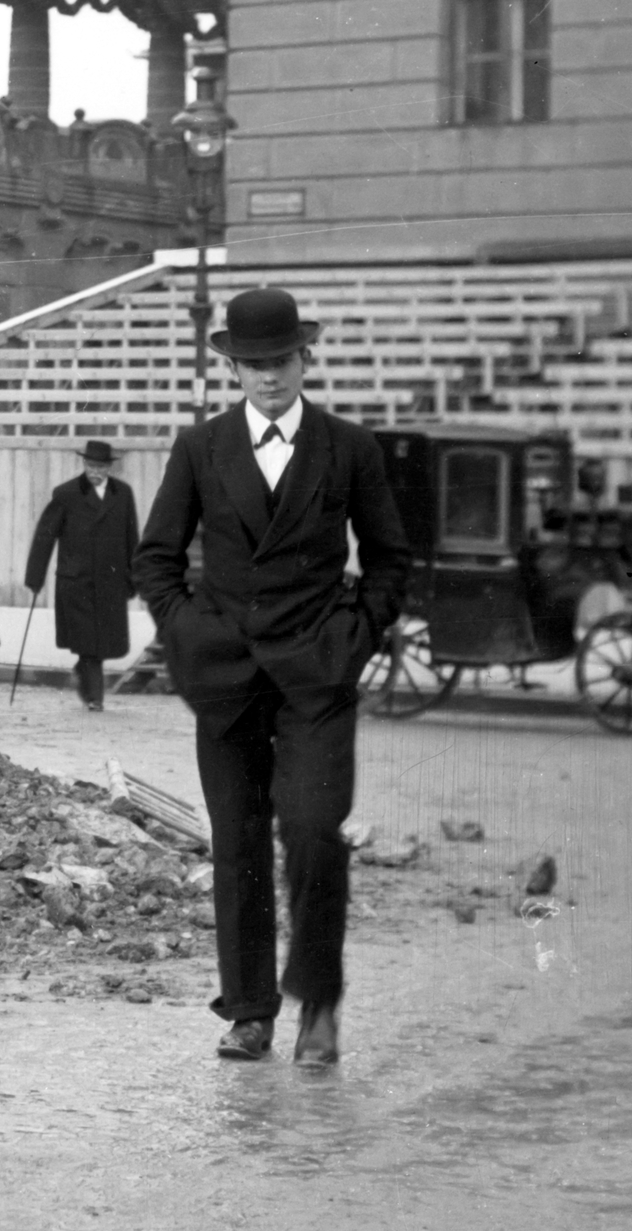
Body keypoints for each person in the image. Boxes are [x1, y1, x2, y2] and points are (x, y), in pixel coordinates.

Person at [132, 288, 411, 1068]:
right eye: (252, 365)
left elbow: (390, 558)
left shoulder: (349, 447)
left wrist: (354, 635)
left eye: (280, 360)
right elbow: (156, 556)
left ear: (304, 360)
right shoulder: (200, 447)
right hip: (225, 674)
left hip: (317, 675)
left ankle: (317, 1007)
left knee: (316, 834)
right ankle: (250, 1010)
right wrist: (187, 632)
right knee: (240, 842)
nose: (268, 377)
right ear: (234, 369)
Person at [23, 440, 141, 712]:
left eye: (100, 466)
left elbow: (131, 537)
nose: (95, 471)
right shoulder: (66, 494)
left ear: (110, 468)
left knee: (102, 642)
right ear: (84, 464)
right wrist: (35, 576)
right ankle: (95, 698)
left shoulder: (122, 494)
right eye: (91, 465)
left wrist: (134, 576)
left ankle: (84, 676)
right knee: (89, 642)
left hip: (110, 581)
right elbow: (45, 535)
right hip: (76, 580)